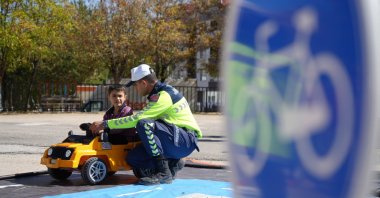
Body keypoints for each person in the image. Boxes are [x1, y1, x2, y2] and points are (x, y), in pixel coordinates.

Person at [90, 63, 202, 185]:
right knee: (132, 158)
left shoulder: (163, 96)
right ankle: (173, 163)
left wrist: (105, 124)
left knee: (144, 124)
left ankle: (164, 173)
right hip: (176, 139)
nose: (135, 88)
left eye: (135, 85)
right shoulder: (162, 91)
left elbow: (138, 119)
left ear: (143, 83)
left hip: (184, 141)